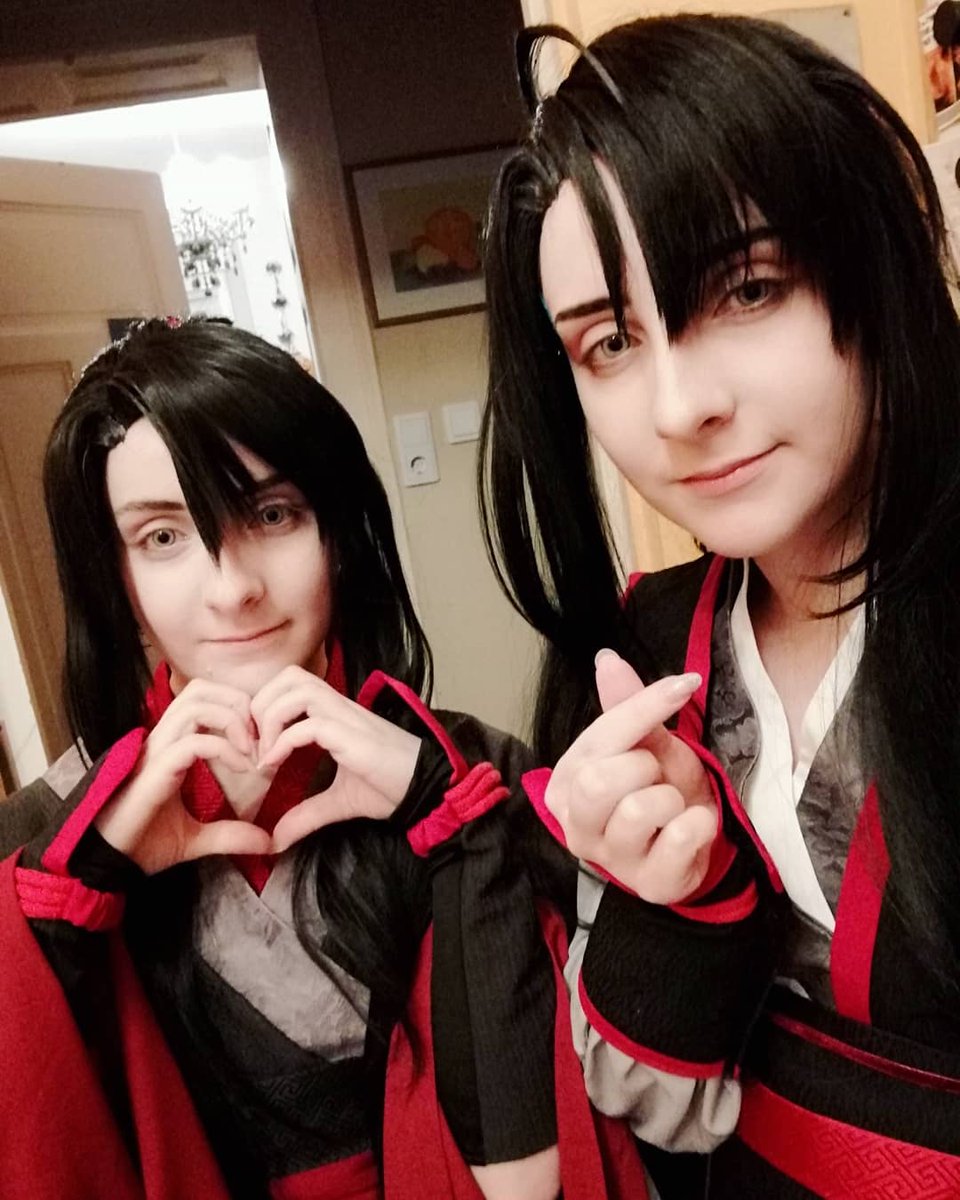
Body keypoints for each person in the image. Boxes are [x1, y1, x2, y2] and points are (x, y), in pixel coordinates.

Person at [479, 15, 960, 1197]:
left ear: (872, 263)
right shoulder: (638, 658)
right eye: (609, 342)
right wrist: (674, 902)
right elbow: (657, 1111)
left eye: (747, 288)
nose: (676, 405)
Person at [0, 317, 641, 1200]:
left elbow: (544, 1162)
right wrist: (70, 907)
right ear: (118, 582)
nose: (234, 588)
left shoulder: (479, 774)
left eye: (272, 515)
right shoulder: (39, 841)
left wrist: (449, 819)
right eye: (163, 538)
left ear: (338, 534)